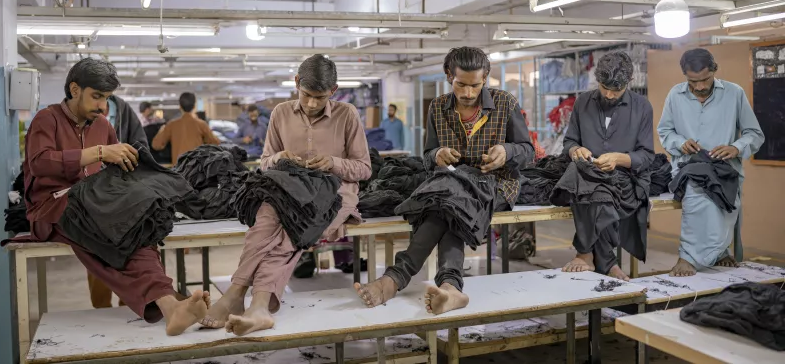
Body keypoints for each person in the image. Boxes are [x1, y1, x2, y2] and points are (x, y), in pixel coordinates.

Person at [23, 58, 209, 335]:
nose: (102, 106)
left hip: (94, 204)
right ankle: (169, 304)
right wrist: (99, 153)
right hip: (51, 207)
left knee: (138, 229)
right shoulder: (46, 119)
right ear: (74, 89)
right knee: (110, 233)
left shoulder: (101, 126)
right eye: (96, 96)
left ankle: (171, 305)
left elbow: (116, 171)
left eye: (107, 98)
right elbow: (39, 162)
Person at [199, 54, 371, 335]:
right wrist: (279, 157)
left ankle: (250, 300)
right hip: (290, 191)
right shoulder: (280, 113)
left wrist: (333, 163)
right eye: (306, 95)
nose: (313, 103)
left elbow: (364, 169)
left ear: (334, 91)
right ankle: (245, 299)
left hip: (334, 194)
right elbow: (265, 161)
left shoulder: (347, 114)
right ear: (296, 84)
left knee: (292, 231)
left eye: (320, 97)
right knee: (264, 220)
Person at [355, 46, 534, 314]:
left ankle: (396, 278)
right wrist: (438, 154)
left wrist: (507, 152)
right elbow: (427, 155)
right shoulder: (438, 107)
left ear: (485, 78)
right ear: (449, 75)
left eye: (475, 85)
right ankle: (450, 288)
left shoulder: (505, 103)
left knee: (449, 201)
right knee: (450, 202)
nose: (468, 93)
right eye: (461, 84)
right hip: (452, 186)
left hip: (495, 184)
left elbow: (528, 151)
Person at [657, 48, 764, 277]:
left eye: (705, 79)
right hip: (688, 166)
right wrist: (680, 143)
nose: (699, 87)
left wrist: (736, 147)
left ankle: (720, 251)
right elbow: (665, 131)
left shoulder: (734, 93)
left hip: (725, 167)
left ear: (714, 71)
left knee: (727, 202)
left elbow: (754, 133)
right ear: (685, 76)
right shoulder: (675, 95)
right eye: (692, 81)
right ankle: (687, 256)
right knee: (698, 194)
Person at [561, 51, 655, 281]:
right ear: (597, 79)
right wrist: (576, 151)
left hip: (625, 177)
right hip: (587, 172)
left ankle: (586, 254)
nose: (610, 94)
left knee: (599, 193)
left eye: (617, 90)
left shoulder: (642, 106)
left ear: (629, 83)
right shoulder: (583, 102)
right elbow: (570, 141)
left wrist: (619, 159)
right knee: (581, 176)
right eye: (604, 88)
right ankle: (606, 262)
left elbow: (647, 155)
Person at [88, 94, 149, 309]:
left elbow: (141, 145)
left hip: (124, 194)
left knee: (130, 256)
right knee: (97, 257)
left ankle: (127, 308)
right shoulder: (79, 112)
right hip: (91, 198)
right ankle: (101, 309)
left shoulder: (123, 110)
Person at [151, 92, 220, 163]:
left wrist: (161, 130)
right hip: (196, 168)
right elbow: (215, 143)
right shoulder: (201, 124)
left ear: (180, 106)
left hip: (179, 169)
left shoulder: (172, 125)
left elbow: (156, 145)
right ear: (194, 106)